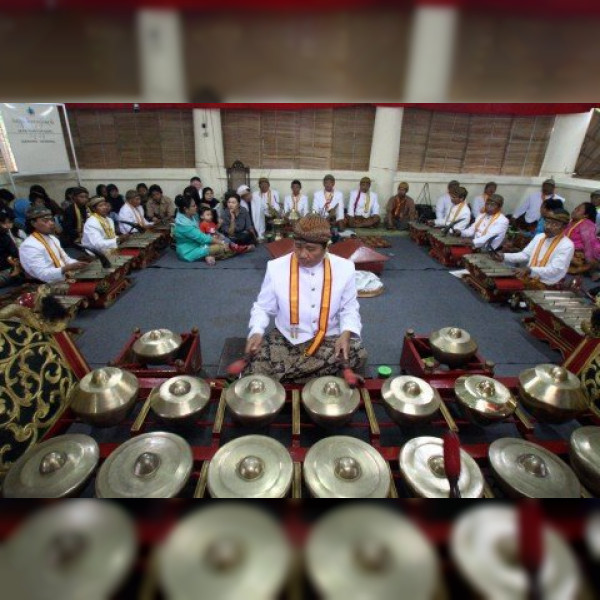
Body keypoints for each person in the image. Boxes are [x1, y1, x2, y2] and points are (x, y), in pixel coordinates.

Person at [245, 214, 366, 382]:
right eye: (298, 246)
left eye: (310, 249)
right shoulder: (276, 267)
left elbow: (349, 308)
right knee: (256, 361)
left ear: (326, 247)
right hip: (286, 338)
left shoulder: (345, 268)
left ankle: (283, 375)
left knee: (356, 352)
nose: (302, 254)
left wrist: (345, 334)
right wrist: (256, 331)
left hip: (327, 339)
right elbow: (263, 307)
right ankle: (310, 375)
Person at [494, 208, 574, 287]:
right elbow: (525, 255)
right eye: (547, 222)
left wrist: (530, 270)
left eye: (555, 224)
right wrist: (504, 256)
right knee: (495, 282)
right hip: (528, 277)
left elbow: (554, 270)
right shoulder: (540, 237)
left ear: (564, 227)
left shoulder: (567, 245)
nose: (548, 227)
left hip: (546, 284)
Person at [19, 206, 87, 283]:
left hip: (63, 276)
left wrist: (79, 265)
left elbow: (66, 259)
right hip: (46, 284)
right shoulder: (29, 246)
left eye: (52, 220)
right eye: (45, 221)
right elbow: (42, 274)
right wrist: (65, 269)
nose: (51, 223)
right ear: (33, 223)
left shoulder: (52, 238)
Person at [174, 195, 233, 266]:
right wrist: (221, 242)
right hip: (190, 251)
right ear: (186, 209)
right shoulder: (183, 224)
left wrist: (218, 238)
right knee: (225, 247)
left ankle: (209, 256)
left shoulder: (191, 215)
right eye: (193, 206)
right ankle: (209, 256)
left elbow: (205, 233)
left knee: (225, 242)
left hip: (200, 244)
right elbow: (202, 238)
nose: (196, 207)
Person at [564, 202, 600, 275]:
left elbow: (588, 244)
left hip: (580, 253)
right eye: (575, 208)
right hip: (568, 250)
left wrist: (589, 261)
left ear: (585, 215)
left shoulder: (586, 224)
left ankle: (590, 269)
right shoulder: (571, 222)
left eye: (578, 210)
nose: (574, 211)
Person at [0, 209, 22, 288]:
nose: (7, 225)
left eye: (9, 222)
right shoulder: (5, 236)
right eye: (3, 223)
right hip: (7, 269)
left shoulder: (6, 235)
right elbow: (15, 253)